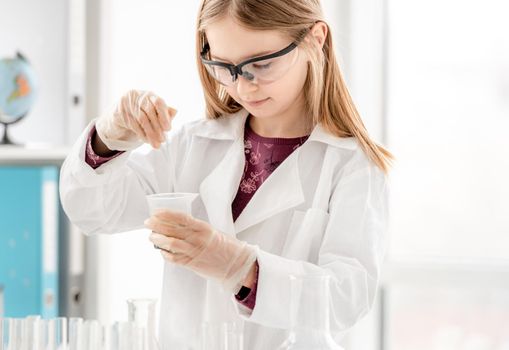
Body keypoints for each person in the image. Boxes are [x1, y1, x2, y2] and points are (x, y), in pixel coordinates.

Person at [59, 0, 394, 348]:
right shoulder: (194, 146)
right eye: (223, 66)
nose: (243, 86)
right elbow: (92, 211)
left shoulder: (352, 166)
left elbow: (345, 298)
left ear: (315, 38)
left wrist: (239, 267)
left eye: (261, 64)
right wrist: (109, 137)